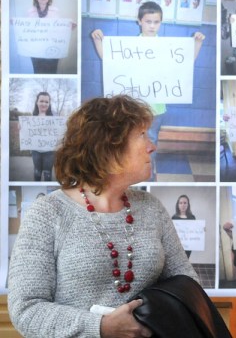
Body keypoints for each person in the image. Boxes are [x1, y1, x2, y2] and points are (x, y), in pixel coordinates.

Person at [8, 95, 198, 337]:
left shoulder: (152, 208)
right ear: (109, 145)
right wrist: (100, 326)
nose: (152, 146)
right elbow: (27, 309)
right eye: (142, 136)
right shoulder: (47, 214)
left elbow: (186, 284)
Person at [91, 1, 205, 180]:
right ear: (139, 21)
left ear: (161, 22)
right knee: (129, 142)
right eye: (148, 21)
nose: (152, 26)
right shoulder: (129, 45)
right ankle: (130, 175)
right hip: (133, 109)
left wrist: (197, 44)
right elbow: (108, 59)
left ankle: (148, 177)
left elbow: (186, 62)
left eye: (156, 22)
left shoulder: (168, 47)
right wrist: (98, 40)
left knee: (150, 143)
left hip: (156, 110)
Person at [25, 0, 76, 74]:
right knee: (38, 73)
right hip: (36, 51)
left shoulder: (55, 11)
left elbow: (59, 30)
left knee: (52, 72)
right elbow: (28, 31)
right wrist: (17, 25)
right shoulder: (30, 12)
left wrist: (69, 28)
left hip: (51, 50)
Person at [30, 92, 56, 182]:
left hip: (49, 151)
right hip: (36, 151)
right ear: (37, 102)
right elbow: (28, 134)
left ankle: (48, 192)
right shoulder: (30, 119)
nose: (44, 104)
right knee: (37, 172)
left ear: (49, 104)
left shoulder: (54, 119)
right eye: (41, 101)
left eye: (46, 102)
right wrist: (21, 128)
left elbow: (58, 133)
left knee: (48, 173)